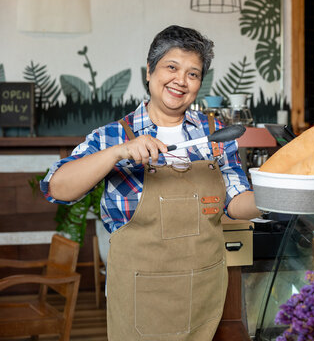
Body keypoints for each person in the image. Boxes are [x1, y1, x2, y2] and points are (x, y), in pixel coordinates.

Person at [41, 25, 262, 340]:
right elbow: (56, 188)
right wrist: (118, 153)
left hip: (203, 289)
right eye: (172, 67)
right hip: (137, 294)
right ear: (149, 71)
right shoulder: (113, 135)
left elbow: (237, 201)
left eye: (193, 74)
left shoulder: (215, 132)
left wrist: (280, 197)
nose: (180, 81)